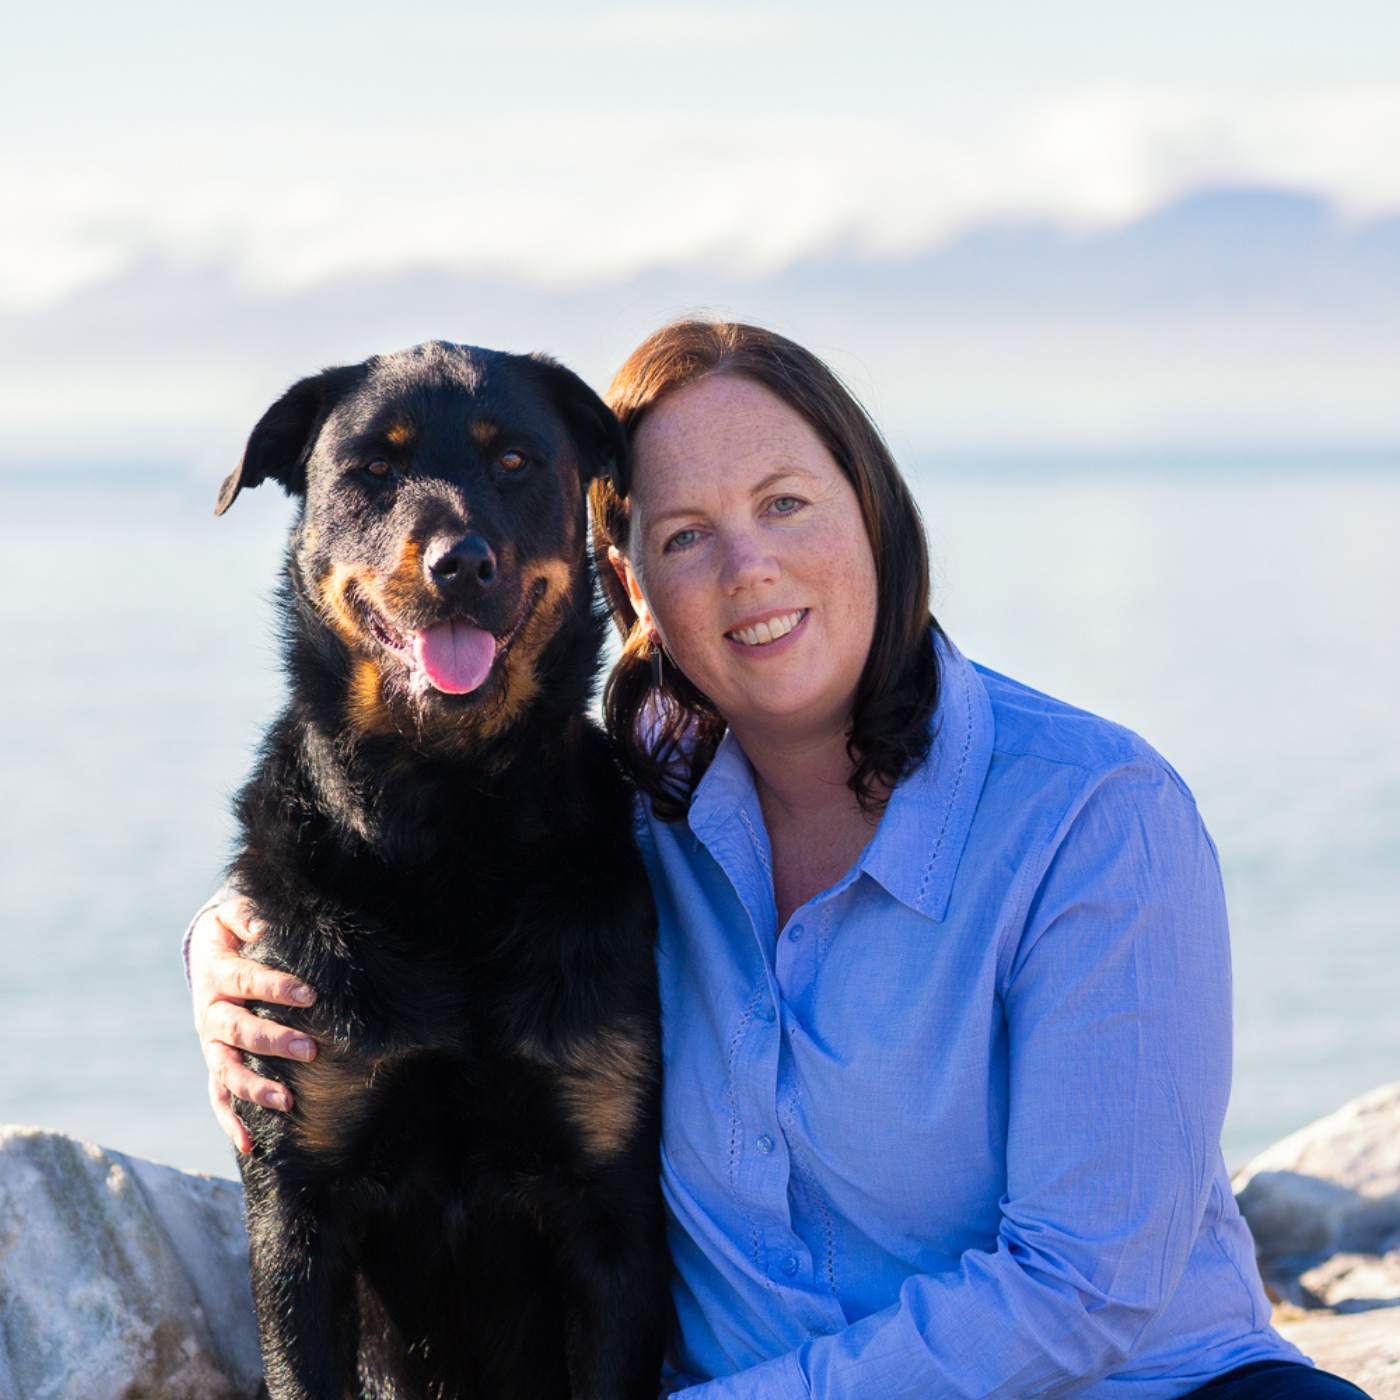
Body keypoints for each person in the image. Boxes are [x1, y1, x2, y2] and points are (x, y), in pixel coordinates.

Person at [187, 321, 1368, 1398]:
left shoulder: (1093, 817)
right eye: (686, 534)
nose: (747, 567)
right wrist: (222, 949)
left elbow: (1086, 1283)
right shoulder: (638, 821)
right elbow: (405, 877)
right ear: (631, 582)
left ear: (876, 509)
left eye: (787, 503)